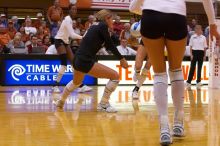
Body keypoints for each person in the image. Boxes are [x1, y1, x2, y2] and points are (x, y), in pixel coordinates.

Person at [132, 0, 220, 145]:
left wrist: (150, 11)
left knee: (159, 73)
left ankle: (164, 128)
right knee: (176, 70)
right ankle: (178, 122)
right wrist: (212, 25)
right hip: (176, 15)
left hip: (150, 16)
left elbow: (133, 7)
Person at [54, 9, 128, 113]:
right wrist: (122, 59)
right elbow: (110, 44)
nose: (113, 22)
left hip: (77, 59)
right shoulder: (103, 26)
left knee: (76, 82)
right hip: (85, 60)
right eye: (112, 19)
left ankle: (61, 101)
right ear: (106, 18)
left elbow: (105, 42)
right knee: (115, 76)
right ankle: (103, 104)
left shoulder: (94, 26)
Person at [53, 4, 92, 93]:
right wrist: (83, 37)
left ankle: (80, 85)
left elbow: (70, 35)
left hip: (65, 42)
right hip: (59, 41)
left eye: (75, 9)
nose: (74, 11)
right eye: (73, 9)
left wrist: (82, 36)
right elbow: (72, 35)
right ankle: (55, 85)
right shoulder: (67, 19)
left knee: (74, 64)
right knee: (64, 64)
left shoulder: (70, 20)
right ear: (69, 10)